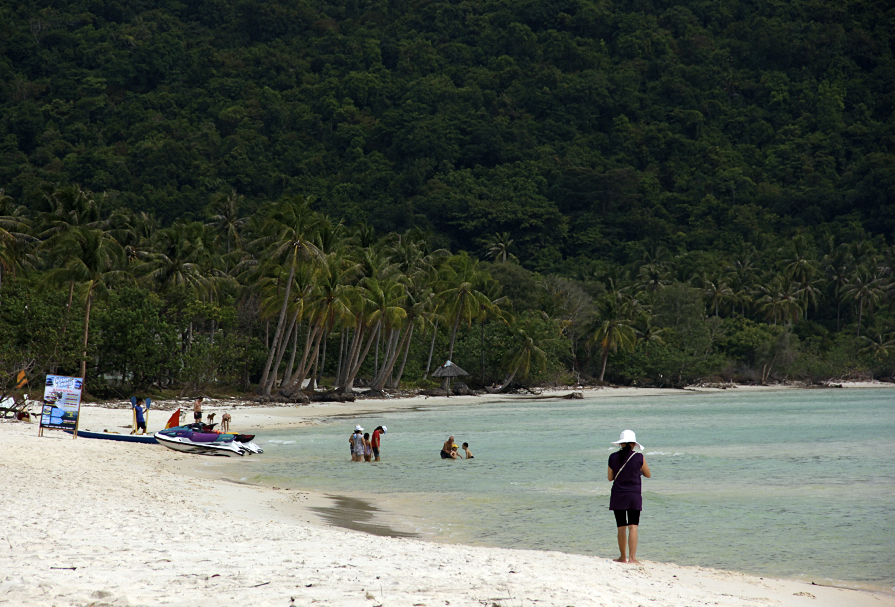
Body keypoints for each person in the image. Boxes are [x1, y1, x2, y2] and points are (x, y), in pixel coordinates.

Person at [607, 429, 651, 564]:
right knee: (633, 526)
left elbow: (610, 478)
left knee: (621, 527)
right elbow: (648, 474)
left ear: (621, 444)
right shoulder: (639, 457)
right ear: (633, 444)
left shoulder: (612, 457)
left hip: (618, 494)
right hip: (633, 494)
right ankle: (632, 558)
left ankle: (622, 557)